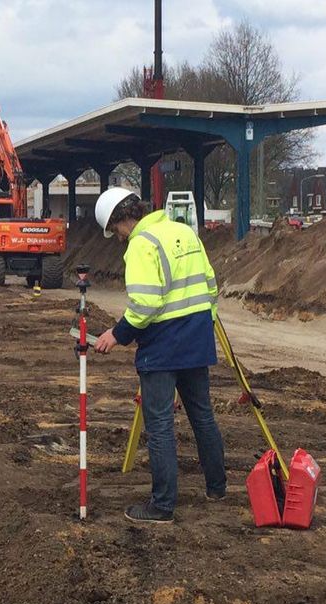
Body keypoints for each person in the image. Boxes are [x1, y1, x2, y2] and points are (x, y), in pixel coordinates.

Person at [92, 187, 226, 523]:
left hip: (163, 347)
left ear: (123, 218)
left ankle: (163, 505)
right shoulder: (183, 231)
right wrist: (200, 326)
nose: (118, 238)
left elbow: (145, 306)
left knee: (161, 425)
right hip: (196, 340)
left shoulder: (142, 244)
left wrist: (117, 334)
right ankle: (217, 487)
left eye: (115, 230)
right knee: (203, 416)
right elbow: (211, 286)